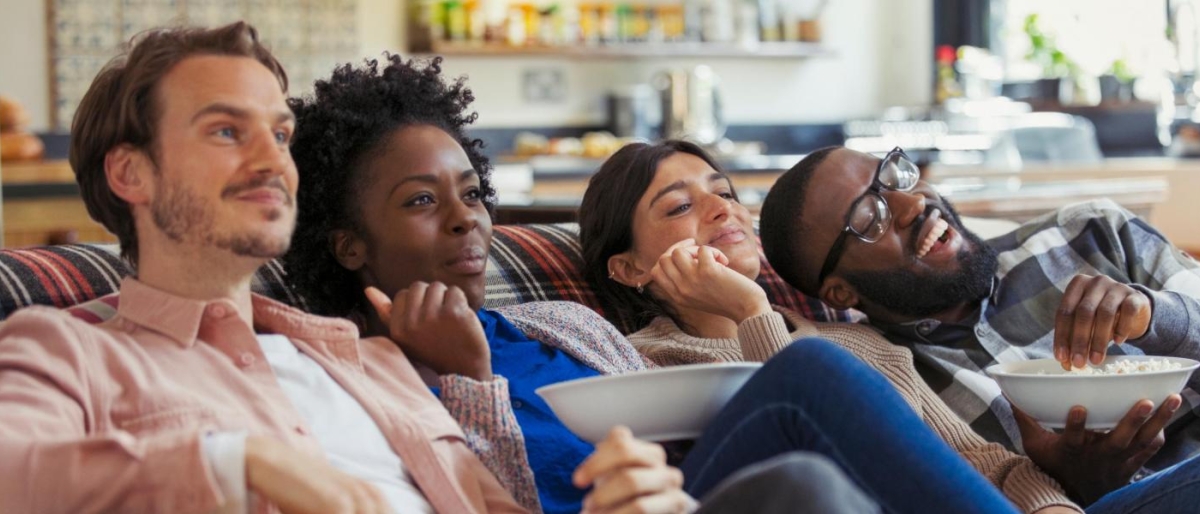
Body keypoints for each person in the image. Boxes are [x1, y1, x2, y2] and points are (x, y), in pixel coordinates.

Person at [283, 54, 1038, 514]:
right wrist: (469, 380)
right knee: (809, 398)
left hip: (694, 492)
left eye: (474, 194)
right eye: (422, 200)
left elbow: (684, 448)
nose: (465, 220)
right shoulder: (349, 373)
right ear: (348, 243)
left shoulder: (561, 323)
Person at [0, 21, 671, 514]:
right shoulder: (65, 350)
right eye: (227, 131)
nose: (273, 161)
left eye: (280, 134)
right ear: (130, 173)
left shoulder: (371, 362)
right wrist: (234, 463)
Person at [577, 139, 1087, 513]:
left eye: (725, 193)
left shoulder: (859, 341)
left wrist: (1052, 508)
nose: (721, 210)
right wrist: (750, 311)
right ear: (630, 268)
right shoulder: (637, 364)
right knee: (811, 366)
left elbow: (980, 459)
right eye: (681, 206)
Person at [758, 145, 1200, 510]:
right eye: (869, 218)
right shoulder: (883, 382)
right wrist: (1075, 484)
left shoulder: (1091, 232)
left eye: (894, 176)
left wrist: (1154, 316)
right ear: (840, 293)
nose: (913, 204)